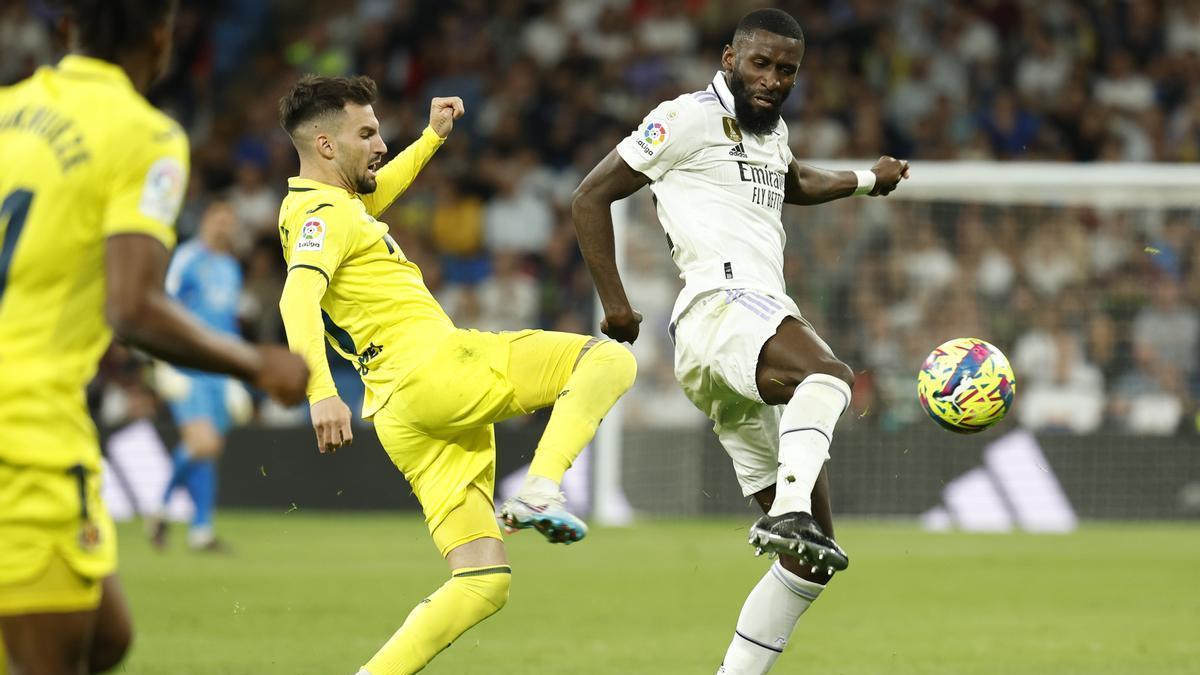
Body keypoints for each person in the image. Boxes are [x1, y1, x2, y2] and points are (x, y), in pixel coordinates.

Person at [571, 9, 907, 674]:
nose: (773, 80)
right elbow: (589, 196)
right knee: (832, 377)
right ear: (729, 58)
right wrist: (615, 303)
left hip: (733, 342)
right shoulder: (686, 117)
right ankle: (786, 508)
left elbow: (796, 182)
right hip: (722, 308)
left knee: (810, 560)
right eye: (761, 64)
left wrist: (869, 180)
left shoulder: (771, 132)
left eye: (787, 70)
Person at [275, 75, 636, 675]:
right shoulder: (322, 212)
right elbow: (296, 299)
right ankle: (541, 489)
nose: (379, 143)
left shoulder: (330, 206)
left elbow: (377, 192)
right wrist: (318, 392)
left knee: (482, 582)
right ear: (325, 146)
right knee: (607, 359)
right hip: (436, 368)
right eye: (366, 132)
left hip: (401, 414)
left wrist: (432, 137)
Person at [0, 1, 309, 672]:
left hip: (32, 424)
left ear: (63, 31)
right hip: (24, 434)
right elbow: (134, 306)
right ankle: (181, 518)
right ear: (164, 39)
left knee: (108, 639)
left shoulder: (8, 110)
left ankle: (179, 519)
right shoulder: (145, 136)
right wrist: (255, 362)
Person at [146, 201, 247, 552]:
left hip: (219, 371)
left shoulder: (231, 267)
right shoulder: (188, 258)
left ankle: (200, 530)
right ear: (206, 220)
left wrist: (237, 373)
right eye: (219, 219)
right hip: (187, 365)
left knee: (209, 450)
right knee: (203, 443)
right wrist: (164, 364)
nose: (224, 227)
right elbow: (163, 306)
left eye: (229, 221)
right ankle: (159, 508)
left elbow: (229, 324)